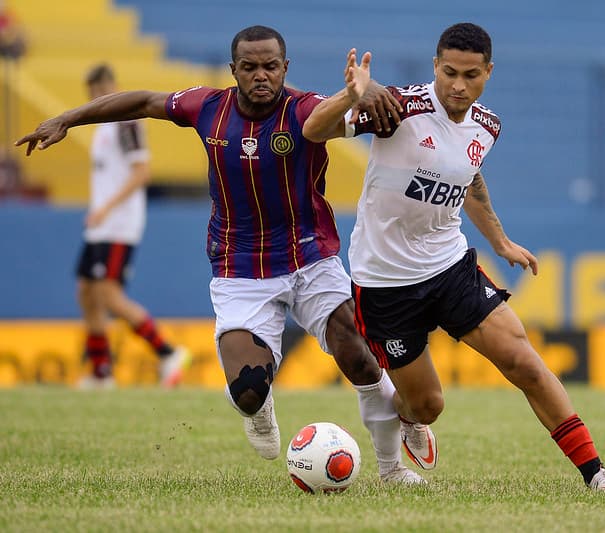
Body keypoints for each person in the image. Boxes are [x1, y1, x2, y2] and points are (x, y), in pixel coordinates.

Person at [16, 26, 430, 484]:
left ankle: (391, 470)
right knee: (249, 391)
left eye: (270, 66)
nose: (260, 75)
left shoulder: (305, 109)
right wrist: (68, 119)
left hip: (311, 259)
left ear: (285, 68)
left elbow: (364, 110)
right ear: (233, 70)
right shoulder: (207, 108)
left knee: (360, 358)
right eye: (249, 67)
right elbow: (142, 102)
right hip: (240, 270)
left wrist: (364, 90)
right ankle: (259, 409)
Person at [302, 22, 605, 494]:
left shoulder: (487, 125)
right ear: (435, 66)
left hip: (450, 268)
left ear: (488, 72)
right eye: (449, 72)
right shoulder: (396, 108)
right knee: (428, 405)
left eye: (471, 75)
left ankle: (596, 474)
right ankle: (409, 420)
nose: (458, 85)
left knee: (523, 361)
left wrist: (501, 243)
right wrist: (349, 95)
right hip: (384, 284)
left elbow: (470, 181)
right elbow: (312, 129)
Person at [72, 64, 191, 389]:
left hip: (118, 225)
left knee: (109, 296)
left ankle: (167, 352)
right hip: (100, 224)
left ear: (113, 86)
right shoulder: (102, 128)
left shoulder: (126, 122)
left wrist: (106, 209)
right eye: (93, 94)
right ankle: (101, 373)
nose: (98, 98)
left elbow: (142, 172)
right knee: (86, 291)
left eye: (102, 91)